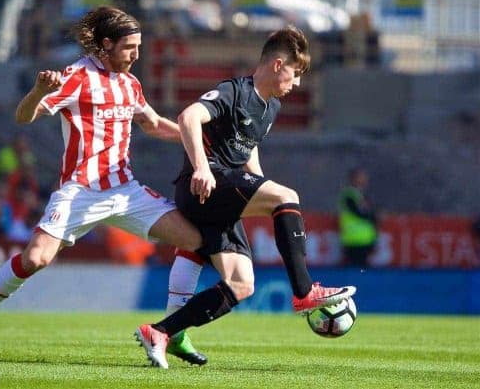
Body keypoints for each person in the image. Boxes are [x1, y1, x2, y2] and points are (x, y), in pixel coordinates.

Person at [0, 7, 207, 365]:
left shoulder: (130, 83)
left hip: (124, 191)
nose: (136, 55)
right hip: (79, 191)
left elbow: (154, 123)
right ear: (106, 44)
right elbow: (24, 116)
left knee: (194, 241)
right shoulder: (77, 76)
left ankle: (174, 333)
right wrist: (38, 91)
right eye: (130, 47)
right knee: (36, 259)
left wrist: (200, 144)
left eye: (139, 46)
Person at [135, 26, 356, 369]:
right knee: (288, 195)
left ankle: (161, 332)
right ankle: (304, 292)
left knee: (242, 283)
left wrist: (263, 193)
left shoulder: (271, 109)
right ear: (279, 64)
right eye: (295, 74)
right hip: (201, 187)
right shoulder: (234, 92)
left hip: (224, 194)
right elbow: (188, 117)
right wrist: (201, 168)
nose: (296, 83)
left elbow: (248, 157)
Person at [338, 167, 378, 268]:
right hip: (353, 240)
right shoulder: (349, 195)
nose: (364, 179)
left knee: (364, 269)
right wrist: (372, 217)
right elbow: (358, 212)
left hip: (366, 239)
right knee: (355, 269)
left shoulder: (362, 194)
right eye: (360, 177)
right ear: (353, 178)